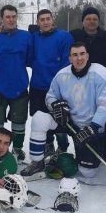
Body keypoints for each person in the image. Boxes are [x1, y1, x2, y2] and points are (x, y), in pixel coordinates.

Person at [22, 42, 106, 179]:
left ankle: (86, 157)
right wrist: (56, 105)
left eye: (82, 54)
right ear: (70, 58)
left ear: (88, 56)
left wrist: (93, 127)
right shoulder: (62, 75)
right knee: (39, 118)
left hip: (88, 128)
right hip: (68, 122)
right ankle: (37, 162)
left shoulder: (101, 74)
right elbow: (50, 96)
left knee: (87, 172)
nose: (79, 58)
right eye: (75, 55)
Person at [0, 5, 33, 160]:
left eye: (14, 16)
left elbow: (31, 58)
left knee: (19, 121)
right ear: (2, 18)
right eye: (8, 17)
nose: (11, 19)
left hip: (19, 86)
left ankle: (17, 149)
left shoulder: (26, 36)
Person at [71, 6, 106, 164]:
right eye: (88, 19)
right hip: (81, 82)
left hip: (103, 83)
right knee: (82, 115)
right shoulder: (75, 35)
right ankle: (83, 148)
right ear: (83, 21)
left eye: (95, 19)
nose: (91, 22)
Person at [27, 9, 73, 161]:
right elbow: (28, 56)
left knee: (59, 117)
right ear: (38, 22)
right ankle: (48, 145)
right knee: (41, 118)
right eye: (42, 19)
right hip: (38, 86)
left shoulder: (64, 36)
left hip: (57, 87)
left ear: (53, 20)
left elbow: (68, 62)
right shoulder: (34, 38)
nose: (45, 22)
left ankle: (62, 144)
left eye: (48, 18)